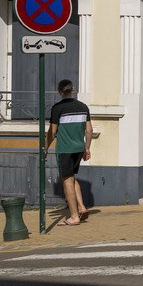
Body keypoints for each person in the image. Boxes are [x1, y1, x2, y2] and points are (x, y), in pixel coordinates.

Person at [46, 79, 91, 225]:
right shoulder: (83, 107)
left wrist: (44, 148)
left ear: (59, 91)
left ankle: (73, 216)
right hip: (79, 148)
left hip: (65, 149)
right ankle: (82, 207)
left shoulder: (57, 108)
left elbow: (52, 132)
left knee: (66, 181)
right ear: (73, 89)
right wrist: (87, 148)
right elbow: (89, 130)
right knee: (71, 177)